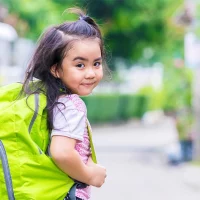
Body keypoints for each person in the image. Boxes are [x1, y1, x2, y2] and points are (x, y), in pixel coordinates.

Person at [22, 8, 107, 200]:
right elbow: (61, 153)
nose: (91, 73)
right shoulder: (71, 105)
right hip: (68, 194)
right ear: (56, 69)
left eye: (96, 63)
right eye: (80, 65)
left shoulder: (45, 98)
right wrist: (90, 175)